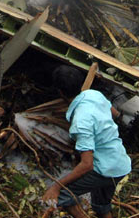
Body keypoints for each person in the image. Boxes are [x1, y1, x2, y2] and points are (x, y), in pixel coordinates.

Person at [42, 66, 131, 218]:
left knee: (64, 194)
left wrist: (56, 186)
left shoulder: (81, 122)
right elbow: (116, 115)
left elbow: (87, 164)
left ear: (60, 92)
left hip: (103, 168)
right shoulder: (94, 94)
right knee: (101, 205)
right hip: (120, 163)